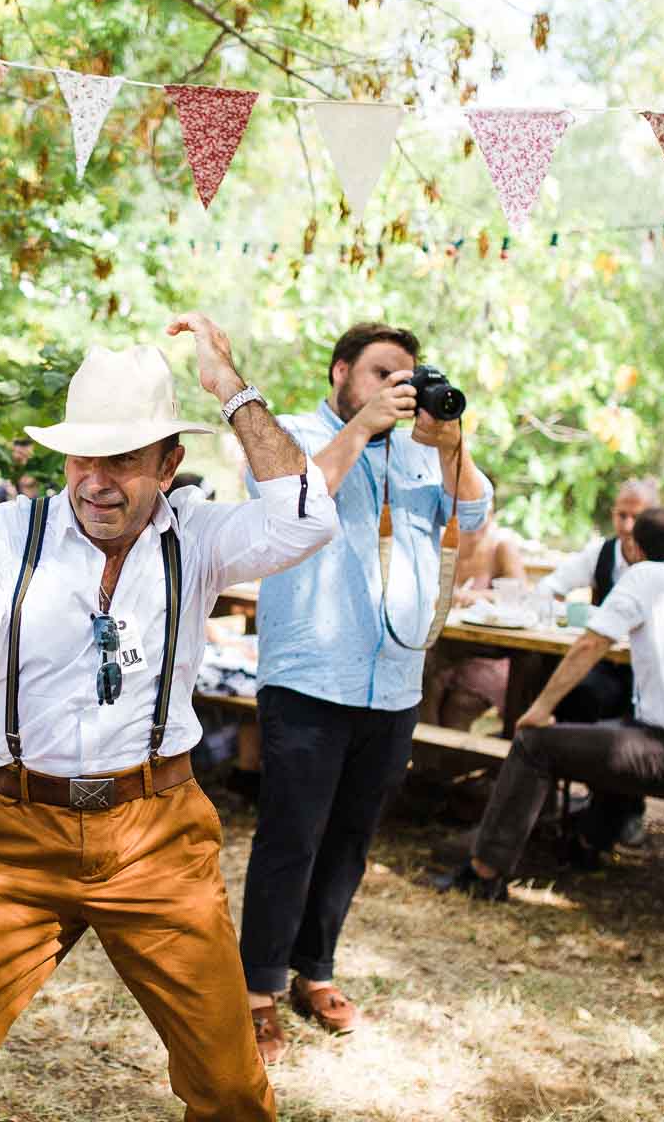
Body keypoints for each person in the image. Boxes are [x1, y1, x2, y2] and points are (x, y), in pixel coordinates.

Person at [0, 316, 337, 1122]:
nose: (97, 481)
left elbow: (309, 516)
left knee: (231, 1088)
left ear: (170, 463)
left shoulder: (202, 538)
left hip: (156, 835)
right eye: (83, 457)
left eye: (124, 460)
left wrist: (230, 387)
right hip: (16, 826)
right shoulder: (8, 536)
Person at [238, 322, 492, 1063]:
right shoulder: (290, 433)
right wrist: (361, 427)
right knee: (291, 839)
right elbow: (290, 498)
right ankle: (257, 989)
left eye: (406, 376)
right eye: (382, 372)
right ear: (341, 370)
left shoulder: (421, 450)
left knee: (350, 842)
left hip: (394, 684)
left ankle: (314, 973)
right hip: (312, 674)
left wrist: (451, 447)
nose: (397, 387)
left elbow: (472, 517)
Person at [436, 507, 664, 902]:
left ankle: (484, 870)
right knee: (616, 727)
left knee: (534, 743)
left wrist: (539, 708)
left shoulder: (644, 576)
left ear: (635, 548)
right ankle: (589, 842)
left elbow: (591, 642)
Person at [534, 477, 661, 852]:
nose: (626, 526)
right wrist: (567, 613)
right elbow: (549, 587)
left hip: (648, 670)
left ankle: (624, 809)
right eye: (621, 515)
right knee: (574, 694)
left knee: (635, 713)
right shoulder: (602, 554)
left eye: (635, 517)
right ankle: (576, 803)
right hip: (603, 664)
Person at [420, 514, 526, 732]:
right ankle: (427, 759)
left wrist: (477, 597)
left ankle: (448, 760)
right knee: (425, 684)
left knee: (459, 706)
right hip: (446, 646)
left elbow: (520, 593)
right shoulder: (444, 539)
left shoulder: (501, 544)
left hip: (489, 653)